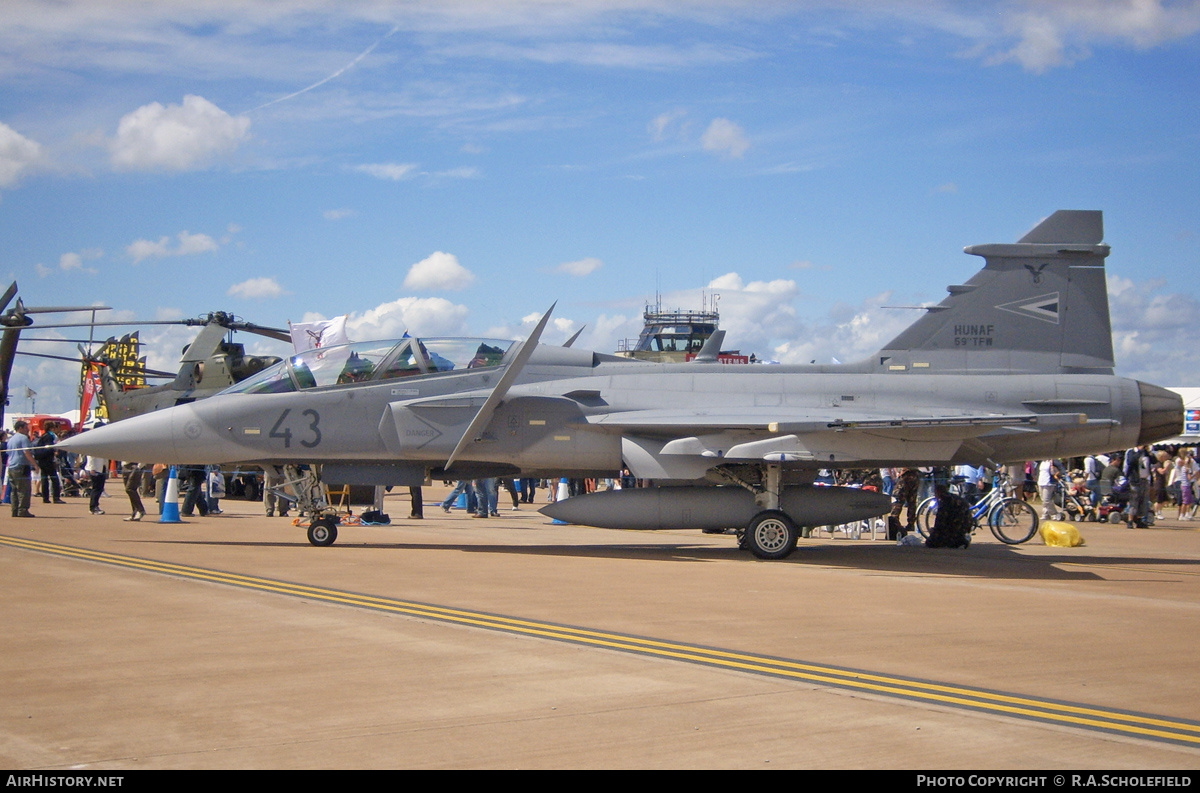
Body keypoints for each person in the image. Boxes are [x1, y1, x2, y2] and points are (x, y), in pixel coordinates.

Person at [925, 483, 972, 548]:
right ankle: (958, 539)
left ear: (938, 492)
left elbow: (940, 520)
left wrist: (934, 531)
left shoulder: (945, 501)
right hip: (965, 525)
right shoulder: (955, 497)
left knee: (931, 543)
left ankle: (958, 540)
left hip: (955, 526)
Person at [7, 420, 36, 518]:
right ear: (20, 428)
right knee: (24, 490)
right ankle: (23, 510)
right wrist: (35, 465)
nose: (28, 430)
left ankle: (14, 510)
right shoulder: (23, 438)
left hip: (11, 466)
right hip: (21, 466)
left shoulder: (11, 439)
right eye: (26, 427)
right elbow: (26, 452)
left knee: (14, 491)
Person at [34, 422, 65, 504]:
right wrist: (54, 452)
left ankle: (45, 498)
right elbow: (49, 447)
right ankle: (56, 497)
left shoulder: (43, 436)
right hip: (48, 460)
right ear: (52, 428)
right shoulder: (50, 436)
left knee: (44, 479)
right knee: (54, 479)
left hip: (42, 460)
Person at [887, 468, 920, 540]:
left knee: (897, 499)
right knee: (912, 501)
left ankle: (894, 522)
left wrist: (902, 471)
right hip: (915, 474)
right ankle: (911, 524)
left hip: (906, 475)